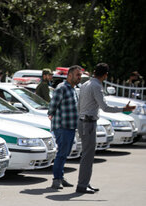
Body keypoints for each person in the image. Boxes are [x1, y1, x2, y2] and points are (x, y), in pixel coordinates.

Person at [77, 63, 135, 194]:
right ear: (105, 75)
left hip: (83, 121)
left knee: (87, 154)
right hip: (88, 123)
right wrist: (123, 109)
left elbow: (79, 105)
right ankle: (82, 185)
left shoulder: (86, 84)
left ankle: (84, 182)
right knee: (88, 156)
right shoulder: (96, 86)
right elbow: (105, 107)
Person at [47, 65, 81, 190]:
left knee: (65, 153)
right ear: (70, 75)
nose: (79, 78)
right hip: (62, 126)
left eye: (80, 75)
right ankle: (56, 180)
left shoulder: (73, 89)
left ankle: (60, 177)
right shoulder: (61, 88)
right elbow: (52, 106)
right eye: (77, 75)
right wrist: (51, 115)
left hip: (71, 126)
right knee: (61, 153)